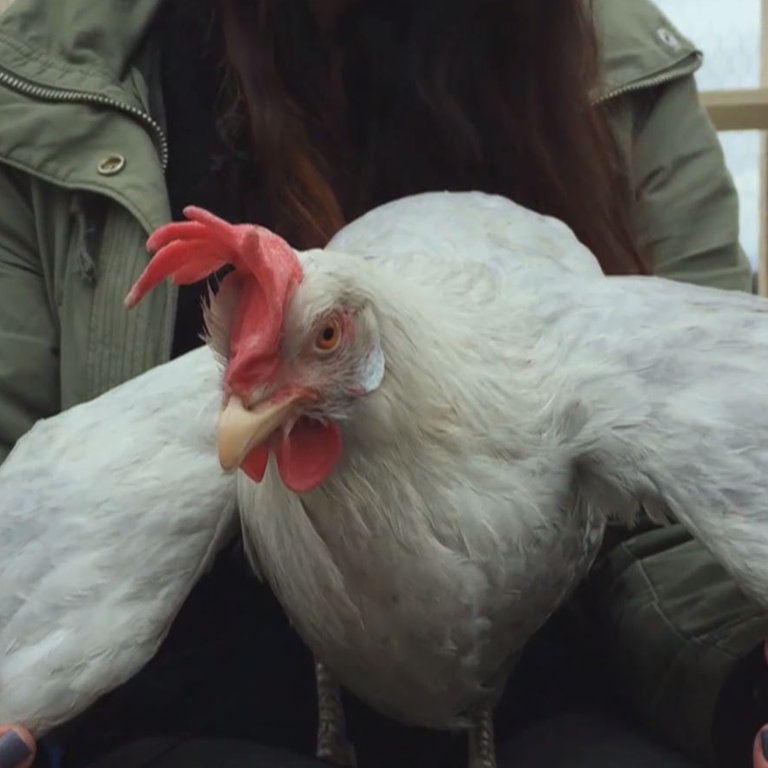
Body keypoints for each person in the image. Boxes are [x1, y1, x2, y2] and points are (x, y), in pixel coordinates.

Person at [0, 0, 765, 766]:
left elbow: (706, 497)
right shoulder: (49, 70)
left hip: (581, 691)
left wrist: (749, 683)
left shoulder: (620, 54)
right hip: (194, 712)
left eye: (326, 339)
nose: (240, 407)